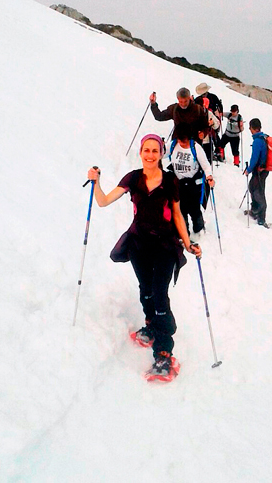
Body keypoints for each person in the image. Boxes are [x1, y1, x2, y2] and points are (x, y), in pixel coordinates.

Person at [87, 134, 201, 379]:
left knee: (160, 293)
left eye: (154, 151)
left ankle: (163, 352)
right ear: (141, 153)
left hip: (165, 245)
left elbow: (178, 216)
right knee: (146, 289)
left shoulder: (170, 181)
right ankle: (152, 324)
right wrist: (96, 182)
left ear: (161, 153)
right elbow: (104, 201)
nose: (150, 155)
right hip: (139, 243)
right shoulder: (133, 178)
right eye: (146, 150)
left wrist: (188, 243)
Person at [168, 123, 215, 235]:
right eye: (180, 140)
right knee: (180, 209)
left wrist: (209, 177)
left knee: (194, 209)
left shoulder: (195, 147)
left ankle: (199, 228)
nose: (182, 143)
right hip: (178, 183)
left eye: (184, 140)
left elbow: (206, 165)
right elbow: (161, 152)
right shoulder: (173, 145)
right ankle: (183, 233)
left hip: (193, 185)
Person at [244, 118, 269, 226]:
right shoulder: (263, 137)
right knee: (253, 188)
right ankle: (255, 211)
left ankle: (261, 217)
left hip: (259, 170)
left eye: (250, 128)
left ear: (253, 128)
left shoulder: (257, 141)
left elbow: (254, 158)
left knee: (258, 192)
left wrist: (248, 170)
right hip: (262, 170)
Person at [194, 96, 220, 163]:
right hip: (194, 141)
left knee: (207, 161)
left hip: (206, 141)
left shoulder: (208, 113)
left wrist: (213, 123)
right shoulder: (191, 113)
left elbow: (217, 124)